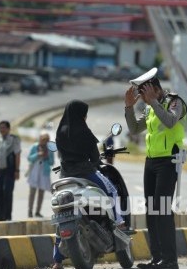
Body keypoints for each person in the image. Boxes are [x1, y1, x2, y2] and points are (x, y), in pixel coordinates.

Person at [124, 67, 186, 269]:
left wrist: (153, 102)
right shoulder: (150, 107)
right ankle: (157, 258)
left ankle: (170, 261)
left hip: (169, 162)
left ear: (154, 88)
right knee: (151, 210)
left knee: (162, 210)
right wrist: (128, 108)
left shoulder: (175, 102)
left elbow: (169, 122)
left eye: (143, 93)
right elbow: (134, 129)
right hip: (151, 162)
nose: (142, 98)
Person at [52, 100, 125, 269]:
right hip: (86, 174)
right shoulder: (84, 132)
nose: (85, 117)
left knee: (61, 216)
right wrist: (95, 162)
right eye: (85, 114)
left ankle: (57, 261)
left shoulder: (60, 132)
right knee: (111, 190)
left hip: (65, 177)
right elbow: (94, 158)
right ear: (80, 114)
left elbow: (61, 156)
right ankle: (118, 223)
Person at [0, 120, 21, 221]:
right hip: (0, 170)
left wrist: (17, 170)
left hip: (10, 170)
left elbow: (17, 155)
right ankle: (0, 216)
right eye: (0, 128)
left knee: (7, 193)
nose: (2, 129)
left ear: (8, 129)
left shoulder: (14, 140)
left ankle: (8, 216)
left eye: (4, 127)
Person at [26, 133, 54, 218]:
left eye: (46, 141)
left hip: (44, 172)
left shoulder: (49, 149)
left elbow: (51, 162)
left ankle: (38, 211)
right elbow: (29, 158)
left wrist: (46, 157)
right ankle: (30, 211)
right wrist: (38, 154)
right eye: (43, 140)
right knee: (32, 192)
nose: (44, 143)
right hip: (34, 171)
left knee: (41, 192)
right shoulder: (35, 147)